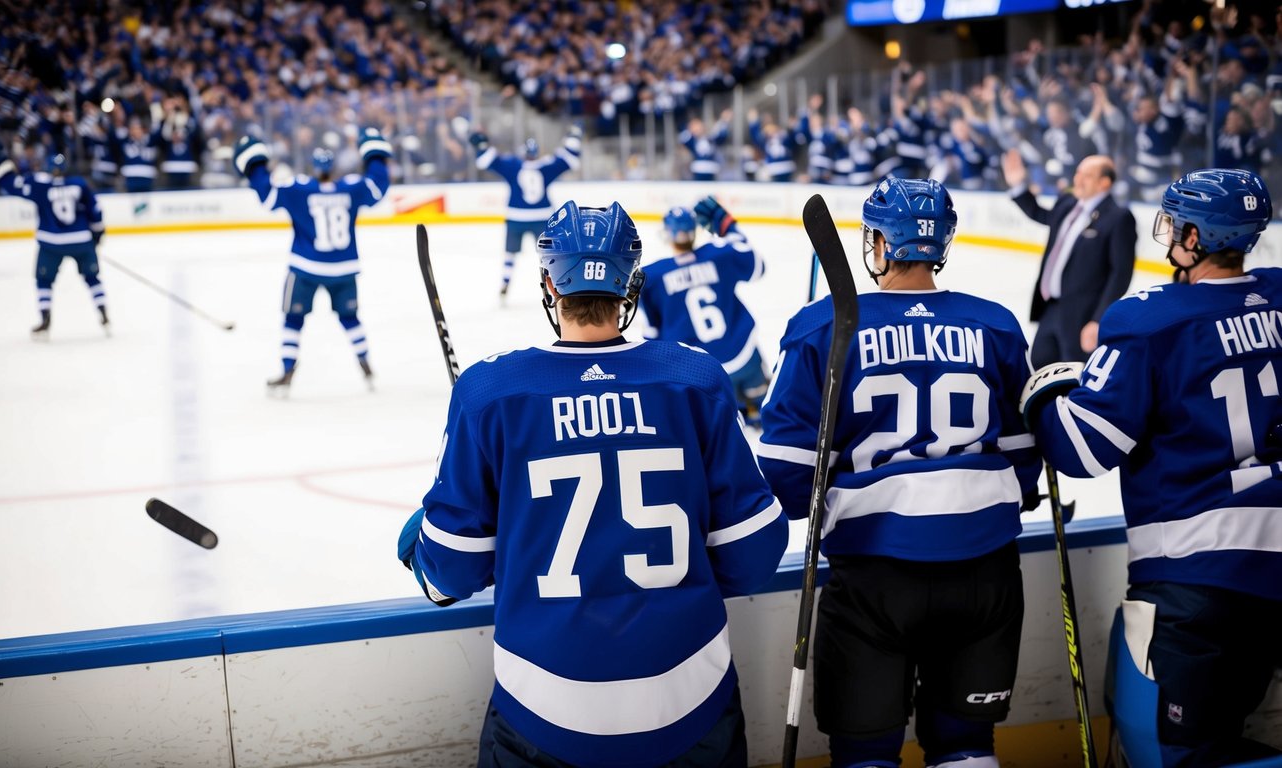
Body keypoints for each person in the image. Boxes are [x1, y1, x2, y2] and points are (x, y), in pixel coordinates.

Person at [398, 200, 787, 767]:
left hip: (544, 709)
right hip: (689, 699)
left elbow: (449, 574)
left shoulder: (490, 392)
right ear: (632, 283)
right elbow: (753, 557)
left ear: (548, 283)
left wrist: (425, 537)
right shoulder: (694, 378)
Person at [758, 178, 1041, 768]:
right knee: (967, 747)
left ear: (881, 244)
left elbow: (787, 481)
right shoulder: (995, 324)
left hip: (874, 582)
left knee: (866, 754)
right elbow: (1025, 461)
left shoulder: (823, 328)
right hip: (985, 572)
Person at [1020, 169, 1280, 767]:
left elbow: (1083, 452)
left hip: (1195, 582)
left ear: (1193, 236)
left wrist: (1045, 405)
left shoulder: (1148, 320)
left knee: (1168, 752)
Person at [233, 128, 391, 394]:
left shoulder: (299, 188)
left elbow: (268, 196)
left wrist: (255, 162)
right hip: (344, 268)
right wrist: (374, 152)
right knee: (350, 317)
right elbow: (377, 187)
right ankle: (365, 363)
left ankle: (287, 369)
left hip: (306, 268)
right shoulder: (351, 187)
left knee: (293, 319)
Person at [639, 196, 770, 425]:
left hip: (703, 374)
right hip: (745, 355)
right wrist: (729, 226)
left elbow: (652, 336)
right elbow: (757, 267)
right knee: (766, 411)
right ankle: (757, 411)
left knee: (724, 424)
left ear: (668, 234)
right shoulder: (719, 255)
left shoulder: (653, 277)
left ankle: (737, 411)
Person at [1003, 150, 1136, 368]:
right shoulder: (1067, 202)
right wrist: (1019, 186)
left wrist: (1097, 320)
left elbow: (1121, 273)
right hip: (1051, 309)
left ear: (1104, 183)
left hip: (1082, 317)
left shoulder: (1118, 217)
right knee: (1039, 366)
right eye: (1078, 173)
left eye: (1087, 175)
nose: (1078, 179)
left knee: (1074, 377)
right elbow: (1043, 215)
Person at [0, 142, 109, 339]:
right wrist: (97, 236)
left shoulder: (39, 184)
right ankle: (103, 312)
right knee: (92, 277)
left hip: (51, 243)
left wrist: (0, 163)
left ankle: (45, 319)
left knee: (44, 280)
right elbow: (96, 211)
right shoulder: (79, 183)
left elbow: (12, 185)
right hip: (81, 241)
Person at [470, 127, 581, 303]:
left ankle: (505, 282)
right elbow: (571, 160)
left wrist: (482, 145)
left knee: (510, 253)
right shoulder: (546, 166)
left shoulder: (513, 166)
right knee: (550, 255)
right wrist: (573, 140)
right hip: (543, 217)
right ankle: (559, 286)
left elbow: (485, 160)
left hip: (516, 216)